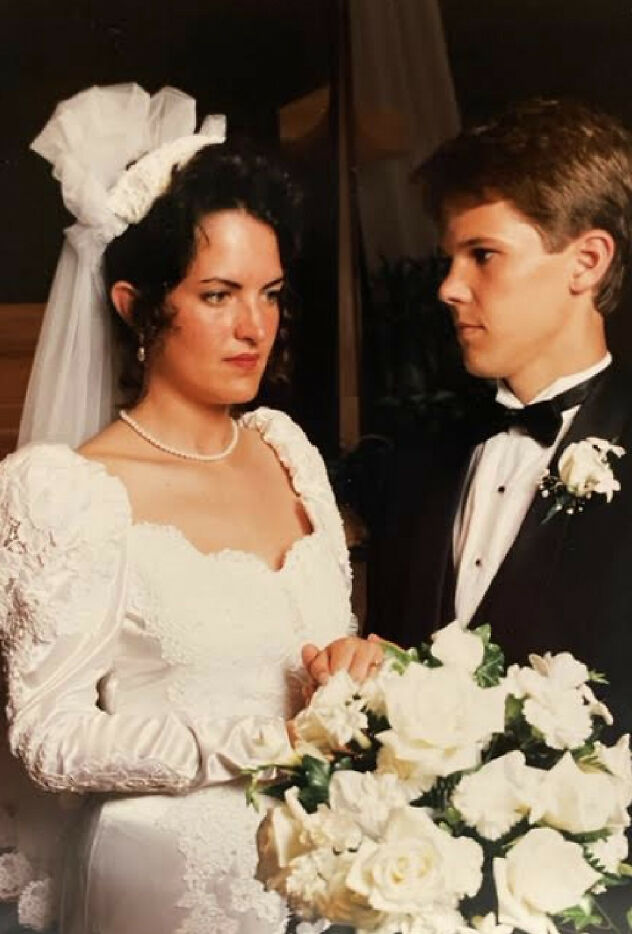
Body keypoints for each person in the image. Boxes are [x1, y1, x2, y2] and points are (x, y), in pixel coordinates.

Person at [0, 83, 382, 934]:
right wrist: (257, 741)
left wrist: (360, 669)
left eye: (270, 293)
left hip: (325, 880)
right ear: (136, 306)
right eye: (218, 295)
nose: (255, 326)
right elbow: (49, 739)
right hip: (165, 889)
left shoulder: (287, 450)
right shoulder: (68, 491)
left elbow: (325, 656)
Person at [367, 98, 632, 911]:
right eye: (449, 258)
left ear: (586, 261)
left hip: (609, 910)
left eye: (483, 255)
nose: (450, 287)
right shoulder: (417, 462)